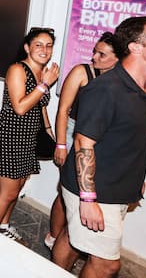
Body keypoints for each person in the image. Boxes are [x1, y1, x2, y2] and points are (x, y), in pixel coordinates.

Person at [53, 16, 146, 277]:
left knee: (72, 238)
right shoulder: (106, 89)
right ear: (136, 47)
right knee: (107, 265)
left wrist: (135, 178)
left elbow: (132, 140)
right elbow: (83, 143)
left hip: (118, 186)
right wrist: (88, 200)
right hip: (94, 191)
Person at [44, 32, 118, 250]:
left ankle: (73, 240)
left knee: (89, 193)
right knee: (66, 190)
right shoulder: (82, 72)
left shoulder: (120, 81)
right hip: (73, 133)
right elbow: (63, 110)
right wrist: (61, 144)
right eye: (95, 51)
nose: (94, 57)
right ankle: (53, 237)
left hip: (102, 139)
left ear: (118, 58)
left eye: (102, 54)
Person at [0, 27, 60, 243]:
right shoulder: (18, 70)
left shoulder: (42, 72)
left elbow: (41, 106)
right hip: (9, 136)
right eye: (39, 45)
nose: (44, 50)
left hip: (28, 138)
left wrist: (48, 131)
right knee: (7, 193)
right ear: (27, 47)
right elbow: (19, 107)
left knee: (16, 189)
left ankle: (3, 226)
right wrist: (44, 84)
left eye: (49, 45)